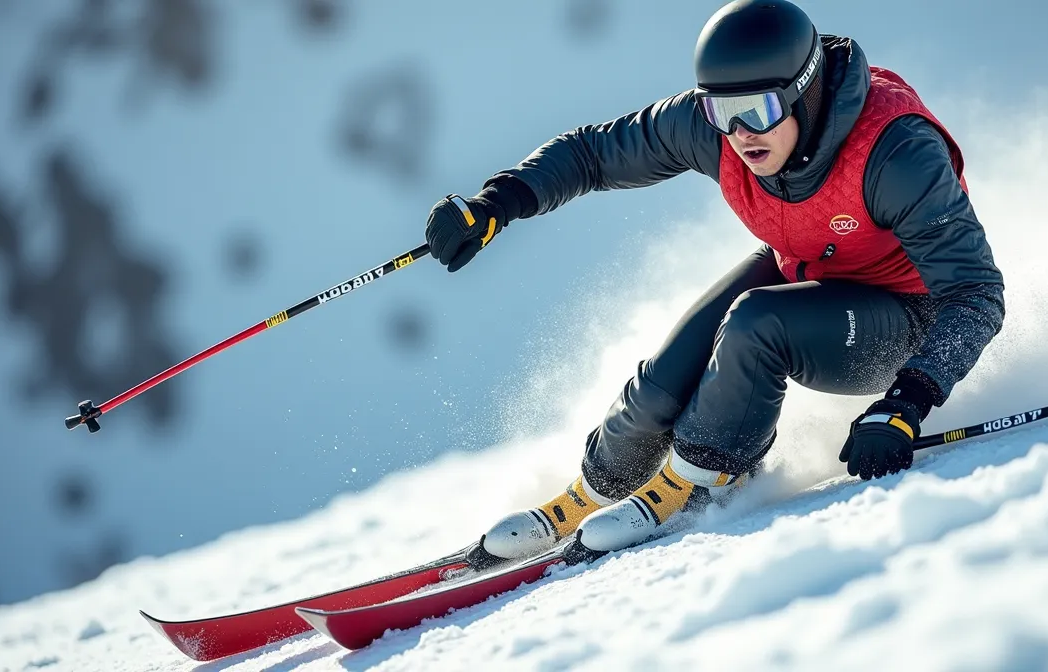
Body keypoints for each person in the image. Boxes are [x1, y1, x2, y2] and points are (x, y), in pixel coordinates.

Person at [424, 0, 1004, 561]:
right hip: (808, 267)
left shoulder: (895, 152)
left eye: (759, 111)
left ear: (806, 91)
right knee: (663, 380)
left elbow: (975, 293)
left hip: (905, 318)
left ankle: (702, 476)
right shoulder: (719, 131)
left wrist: (906, 402)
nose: (742, 134)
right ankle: (598, 490)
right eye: (722, 113)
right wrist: (498, 203)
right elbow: (593, 153)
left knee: (758, 323)